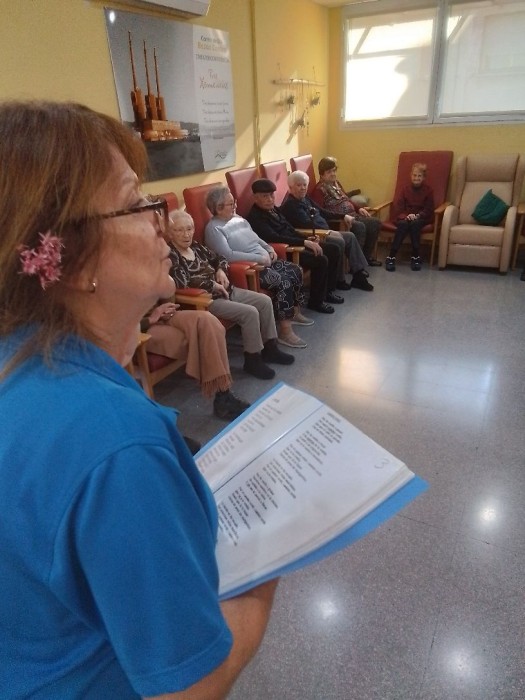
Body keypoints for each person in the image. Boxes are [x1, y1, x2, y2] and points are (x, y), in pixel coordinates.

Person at [0, 100, 278, 699]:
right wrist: (269, 564)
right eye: (137, 202)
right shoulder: (116, 441)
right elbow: (190, 686)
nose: (162, 220)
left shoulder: (18, 361)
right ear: (71, 259)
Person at [168, 209, 294, 379]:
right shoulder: (171, 254)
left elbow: (220, 258)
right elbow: (180, 281)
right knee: (250, 313)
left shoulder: (196, 247)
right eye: (179, 230)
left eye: (189, 229)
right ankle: (252, 359)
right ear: (170, 233)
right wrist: (211, 284)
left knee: (264, 301)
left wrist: (220, 270)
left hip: (227, 290)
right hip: (206, 300)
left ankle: (270, 348)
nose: (186, 234)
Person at [204, 185, 309, 349]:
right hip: (251, 269)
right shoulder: (214, 229)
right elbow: (227, 256)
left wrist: (269, 248)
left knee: (295, 270)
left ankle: (294, 313)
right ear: (218, 208)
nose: (235, 206)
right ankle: (285, 331)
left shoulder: (238, 219)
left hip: (265, 260)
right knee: (283, 281)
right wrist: (259, 259)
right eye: (231, 204)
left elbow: (257, 238)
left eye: (234, 202)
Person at [246, 177, 343, 314]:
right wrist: (304, 242)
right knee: (321, 260)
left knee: (333, 249)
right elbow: (274, 237)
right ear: (255, 198)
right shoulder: (255, 217)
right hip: (286, 251)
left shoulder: (274, 210)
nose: (270, 199)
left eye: (271, 195)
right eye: (265, 196)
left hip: (296, 242)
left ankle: (328, 292)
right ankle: (316, 301)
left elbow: (290, 229)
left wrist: (307, 238)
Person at [140, 301, 250, 420]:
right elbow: (123, 325)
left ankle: (223, 394)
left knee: (208, 321)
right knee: (203, 338)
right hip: (143, 328)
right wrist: (150, 319)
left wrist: (167, 306)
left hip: (165, 316)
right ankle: (223, 394)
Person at [280, 170, 374, 292]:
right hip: (314, 235)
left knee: (350, 236)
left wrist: (343, 216)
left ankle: (358, 275)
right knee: (339, 241)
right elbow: (306, 224)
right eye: (299, 185)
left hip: (325, 231)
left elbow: (322, 211)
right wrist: (328, 232)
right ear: (291, 187)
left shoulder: (305, 198)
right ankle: (339, 280)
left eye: (304, 185)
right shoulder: (291, 205)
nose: (303, 188)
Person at [312, 156, 382, 266]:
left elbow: (346, 199)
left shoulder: (336, 184)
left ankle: (365, 257)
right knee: (360, 226)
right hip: (339, 221)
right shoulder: (318, 190)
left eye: (334, 170)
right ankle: (356, 265)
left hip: (352, 215)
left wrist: (359, 208)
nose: (333, 174)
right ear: (322, 174)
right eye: (329, 172)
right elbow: (321, 212)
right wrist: (341, 217)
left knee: (375, 222)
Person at [385, 162, 435, 272]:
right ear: (411, 175)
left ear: (424, 177)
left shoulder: (429, 191)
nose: (416, 178)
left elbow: (428, 209)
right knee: (403, 224)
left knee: (415, 224)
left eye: (419, 176)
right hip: (405, 216)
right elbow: (399, 207)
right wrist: (406, 216)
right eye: (414, 175)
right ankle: (391, 256)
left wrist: (417, 216)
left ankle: (415, 256)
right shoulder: (405, 189)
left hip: (421, 217)